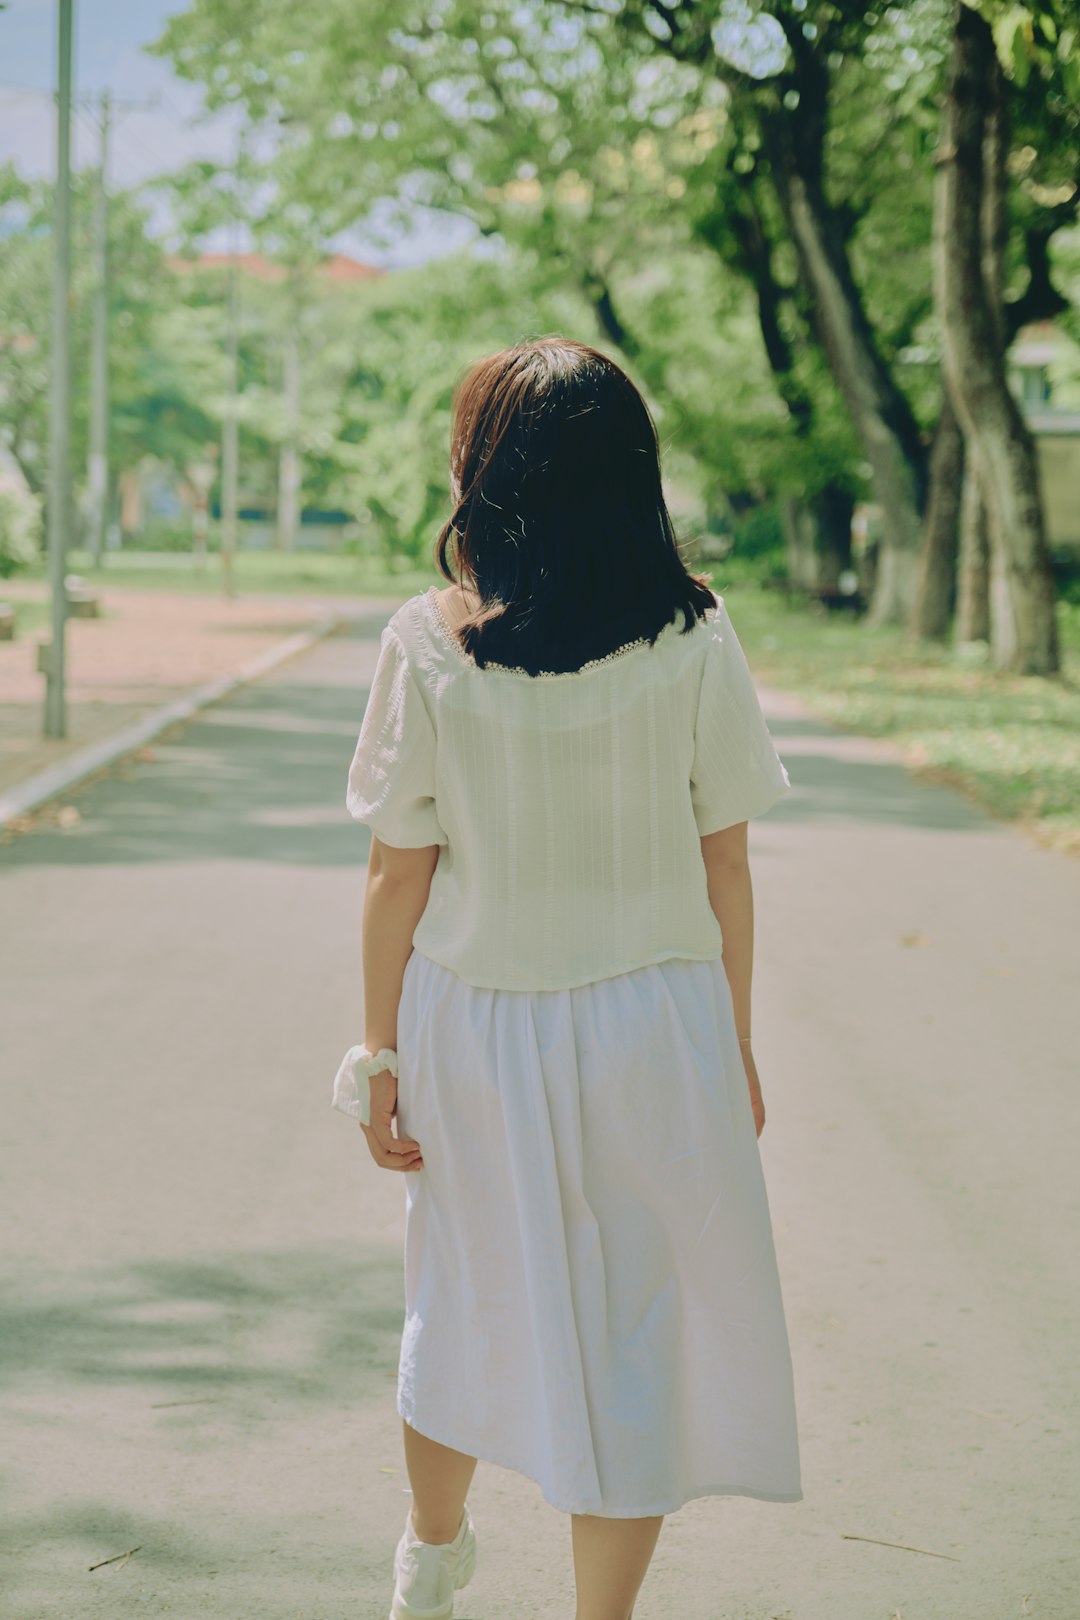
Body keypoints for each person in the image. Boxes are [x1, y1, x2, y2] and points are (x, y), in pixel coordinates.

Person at [332, 335, 802, 1620]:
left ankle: (431, 1556)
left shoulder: (427, 645)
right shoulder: (696, 633)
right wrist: (737, 1043)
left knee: (465, 1293)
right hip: (656, 1022)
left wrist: (375, 1058)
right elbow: (728, 865)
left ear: (486, 475)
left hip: (472, 1027)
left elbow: (395, 875)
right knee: (633, 1338)